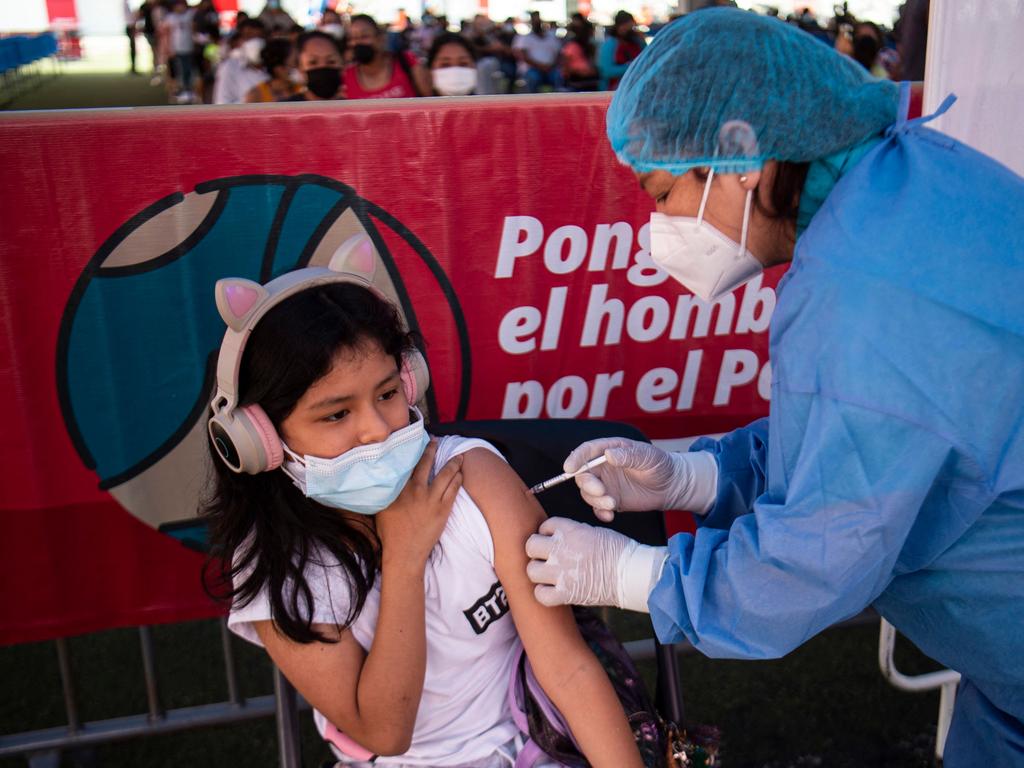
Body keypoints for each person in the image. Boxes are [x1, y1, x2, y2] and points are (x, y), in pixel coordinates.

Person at [525, 9, 1024, 767]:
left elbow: (819, 557)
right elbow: (878, 433)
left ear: (739, 155)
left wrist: (629, 573)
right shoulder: (908, 185)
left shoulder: (863, 290)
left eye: (661, 194)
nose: (657, 225)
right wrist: (696, 476)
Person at [202, 248, 645, 768]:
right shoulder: (277, 564)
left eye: (387, 393)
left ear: (409, 381)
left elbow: (566, 669)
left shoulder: (475, 477)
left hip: (535, 742)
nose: (376, 428)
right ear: (262, 440)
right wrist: (405, 559)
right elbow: (386, 731)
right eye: (336, 414)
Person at [344, 13, 430, 99]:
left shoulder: (408, 62)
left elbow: (430, 102)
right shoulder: (346, 77)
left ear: (380, 38)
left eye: (364, 36)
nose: (358, 42)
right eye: (353, 38)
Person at [212, 18, 268, 104]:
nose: (255, 43)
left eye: (259, 38)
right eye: (249, 37)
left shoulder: (273, 67)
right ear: (239, 40)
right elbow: (222, 102)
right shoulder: (229, 67)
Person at [279, 31, 345, 101]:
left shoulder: (355, 108)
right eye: (313, 62)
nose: (322, 66)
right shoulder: (284, 109)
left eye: (331, 62)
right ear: (300, 67)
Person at [512, 12, 563, 93]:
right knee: (533, 78)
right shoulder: (525, 38)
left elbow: (558, 55)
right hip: (532, 69)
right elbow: (524, 56)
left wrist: (550, 66)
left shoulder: (552, 38)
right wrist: (540, 66)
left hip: (551, 68)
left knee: (558, 76)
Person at [598, 10, 644, 91]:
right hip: (615, 90)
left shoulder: (636, 42)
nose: (629, 29)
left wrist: (642, 41)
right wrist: (633, 67)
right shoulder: (610, 44)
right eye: (626, 26)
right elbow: (607, 71)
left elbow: (647, 59)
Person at [245, 37, 303, 102]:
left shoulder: (304, 91)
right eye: (296, 62)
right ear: (279, 69)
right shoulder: (256, 95)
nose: (301, 66)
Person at [561, 15, 598, 92]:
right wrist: (579, 72)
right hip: (575, 81)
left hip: (590, 80)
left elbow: (594, 64)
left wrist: (591, 71)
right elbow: (565, 68)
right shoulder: (571, 46)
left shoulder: (590, 46)